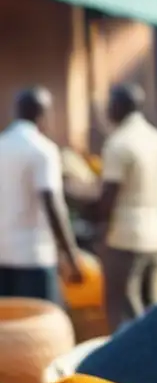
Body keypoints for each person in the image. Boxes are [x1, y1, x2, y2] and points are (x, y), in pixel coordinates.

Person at [92, 84, 157, 331]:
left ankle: (125, 369)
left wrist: (94, 222)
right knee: (155, 309)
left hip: (125, 237)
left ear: (118, 107)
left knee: (124, 313)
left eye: (110, 104)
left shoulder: (119, 143)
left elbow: (109, 197)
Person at [0, 88, 83, 303]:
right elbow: (51, 203)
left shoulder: (2, 145)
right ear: (44, 115)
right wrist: (72, 256)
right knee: (43, 324)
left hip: (3, 254)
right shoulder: (43, 150)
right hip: (34, 256)